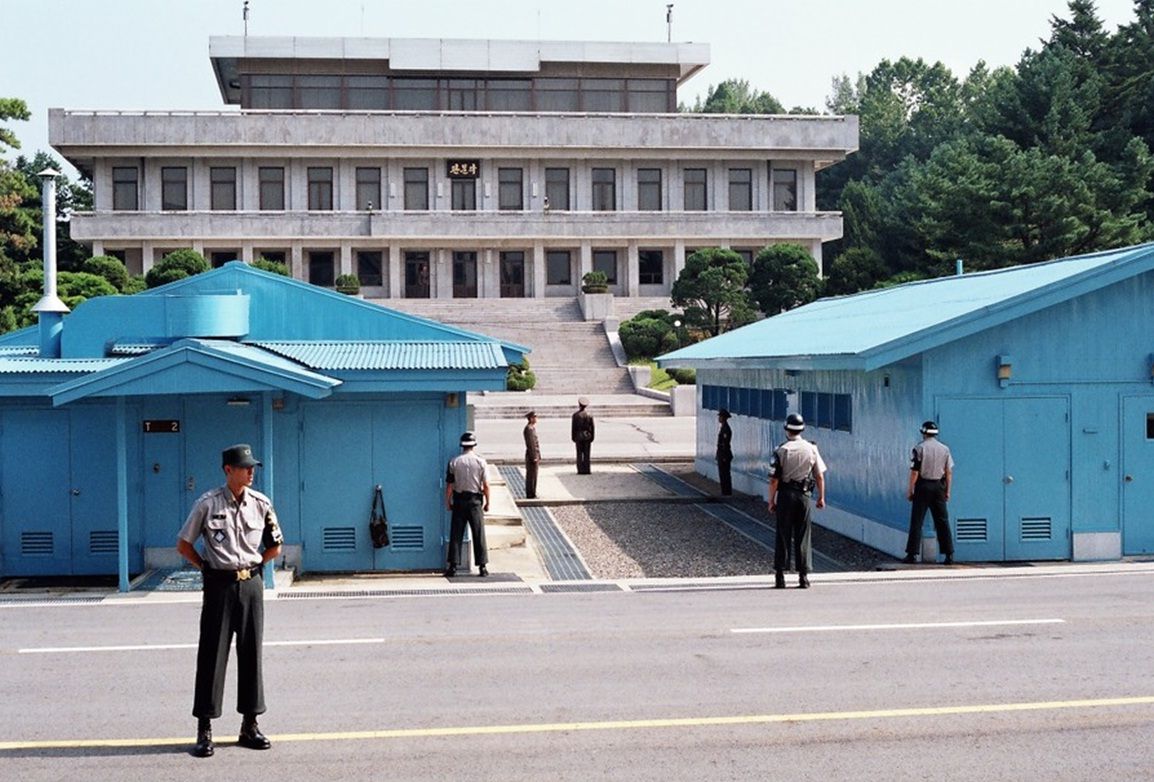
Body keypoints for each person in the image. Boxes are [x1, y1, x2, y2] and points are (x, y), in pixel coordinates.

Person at [176, 443, 283, 758]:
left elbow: (276, 544)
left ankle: (250, 725)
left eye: (252, 467)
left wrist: (255, 565)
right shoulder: (207, 504)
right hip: (219, 586)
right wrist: (205, 566)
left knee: (251, 654)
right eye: (245, 467)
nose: (251, 472)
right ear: (228, 470)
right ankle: (204, 729)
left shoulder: (261, 504)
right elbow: (184, 544)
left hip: (250, 584)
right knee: (212, 655)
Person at [768, 413, 826, 589]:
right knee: (803, 535)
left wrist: (771, 500)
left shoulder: (781, 450)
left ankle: (780, 576)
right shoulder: (812, 449)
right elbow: (819, 476)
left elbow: (773, 479)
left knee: (783, 534)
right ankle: (803, 576)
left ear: (787, 429)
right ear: (802, 429)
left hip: (786, 495)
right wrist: (821, 497)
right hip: (804, 496)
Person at [904, 420, 955, 565]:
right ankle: (949, 554)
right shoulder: (945, 449)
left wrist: (911, 490)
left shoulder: (919, 449)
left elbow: (914, 472)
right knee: (942, 521)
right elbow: (949, 472)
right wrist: (947, 491)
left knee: (917, 521)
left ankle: (912, 554)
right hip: (939, 486)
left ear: (923, 433)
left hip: (923, 486)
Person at [444, 431, 490, 577]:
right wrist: (488, 502)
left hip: (459, 500)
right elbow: (486, 485)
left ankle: (453, 566)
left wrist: (448, 501)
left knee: (456, 533)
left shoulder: (454, 462)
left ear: (462, 445)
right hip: (475, 500)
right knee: (478, 533)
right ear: (474, 445)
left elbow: (450, 485)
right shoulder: (481, 462)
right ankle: (482, 567)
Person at [571, 396, 595, 474]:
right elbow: (592, 427)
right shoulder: (589, 415)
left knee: (579, 454)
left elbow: (573, 427)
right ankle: (587, 469)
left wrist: (573, 437)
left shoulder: (575, 415)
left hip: (578, 436)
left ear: (579, 404)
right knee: (587, 454)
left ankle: (580, 470)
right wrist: (592, 437)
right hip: (587, 436)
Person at [523, 410, 541, 499]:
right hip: (532, 456)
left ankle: (533, 492)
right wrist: (534, 457)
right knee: (531, 475)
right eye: (534, 417)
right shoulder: (529, 429)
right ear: (531, 419)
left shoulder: (532, 428)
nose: (536, 419)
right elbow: (531, 444)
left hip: (535, 455)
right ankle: (530, 493)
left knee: (534, 475)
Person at [716, 408, 733, 495]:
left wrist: (723, 456)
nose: (719, 418)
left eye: (720, 416)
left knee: (725, 474)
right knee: (722, 474)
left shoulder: (726, 429)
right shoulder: (723, 428)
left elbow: (725, 444)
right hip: (721, 454)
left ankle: (727, 492)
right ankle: (724, 491)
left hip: (724, 454)